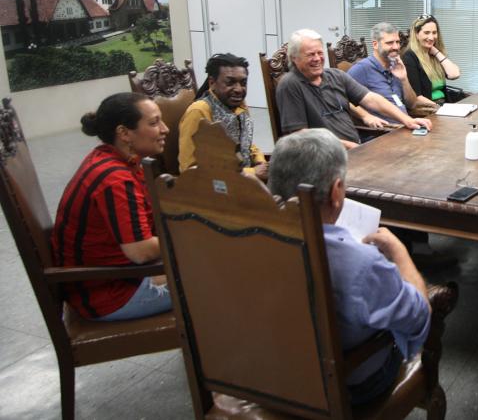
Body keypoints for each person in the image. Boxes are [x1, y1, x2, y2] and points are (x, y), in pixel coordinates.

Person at [267, 128, 431, 404]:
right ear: (336, 192)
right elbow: (418, 317)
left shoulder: (249, 241)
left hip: (272, 376)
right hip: (347, 386)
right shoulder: (362, 263)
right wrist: (400, 253)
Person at [52, 93, 172, 321]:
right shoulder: (115, 179)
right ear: (124, 133)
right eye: (154, 122)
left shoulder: (110, 158)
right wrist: (192, 236)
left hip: (113, 278)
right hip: (111, 293)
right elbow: (141, 251)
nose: (165, 129)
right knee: (226, 274)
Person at [275, 28, 432, 149]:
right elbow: (299, 135)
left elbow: (371, 99)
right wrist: (351, 147)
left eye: (319, 53)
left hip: (355, 148)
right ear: (294, 58)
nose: (317, 59)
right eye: (310, 55)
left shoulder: (335, 75)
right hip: (325, 158)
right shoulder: (290, 84)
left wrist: (408, 120)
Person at [179, 53, 267, 181]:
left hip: (246, 180)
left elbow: (246, 141)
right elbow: (189, 168)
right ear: (212, 83)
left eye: (243, 83)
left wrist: (260, 161)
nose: (238, 89)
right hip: (216, 189)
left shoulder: (239, 105)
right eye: (230, 82)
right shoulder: (199, 112)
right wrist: (252, 172)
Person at [348, 22, 439, 121]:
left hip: (406, 125)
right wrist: (366, 116)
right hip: (383, 131)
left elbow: (412, 104)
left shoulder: (396, 66)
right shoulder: (362, 69)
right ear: (375, 44)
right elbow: (341, 99)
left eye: (398, 42)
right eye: (390, 43)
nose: (396, 47)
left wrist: (404, 79)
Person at [402, 14, 461, 104]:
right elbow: (417, 97)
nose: (431, 37)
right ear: (417, 34)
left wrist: (437, 52)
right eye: (426, 33)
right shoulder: (409, 57)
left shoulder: (434, 55)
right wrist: (439, 109)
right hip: (428, 110)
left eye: (434, 32)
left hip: (444, 105)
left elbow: (454, 74)